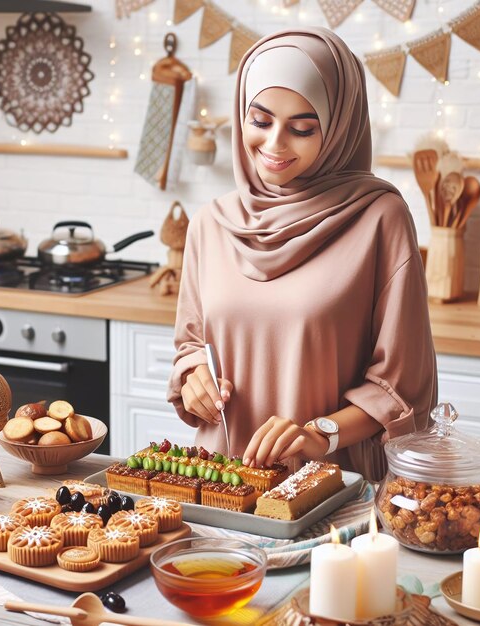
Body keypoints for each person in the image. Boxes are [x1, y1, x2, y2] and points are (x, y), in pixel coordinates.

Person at [166, 27, 437, 482]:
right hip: (218, 483)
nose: (274, 145)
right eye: (260, 120)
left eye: (302, 128)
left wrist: (319, 435)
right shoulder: (211, 223)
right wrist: (193, 379)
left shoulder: (379, 219)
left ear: (337, 127)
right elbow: (192, 348)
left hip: (332, 489)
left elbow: (400, 389)